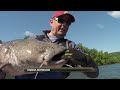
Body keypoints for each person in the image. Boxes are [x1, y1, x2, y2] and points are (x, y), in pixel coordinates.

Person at [15, 11, 99, 79]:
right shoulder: (34, 39)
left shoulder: (71, 46)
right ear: (51, 22)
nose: (65, 25)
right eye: (61, 20)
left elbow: (94, 74)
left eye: (68, 22)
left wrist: (85, 59)